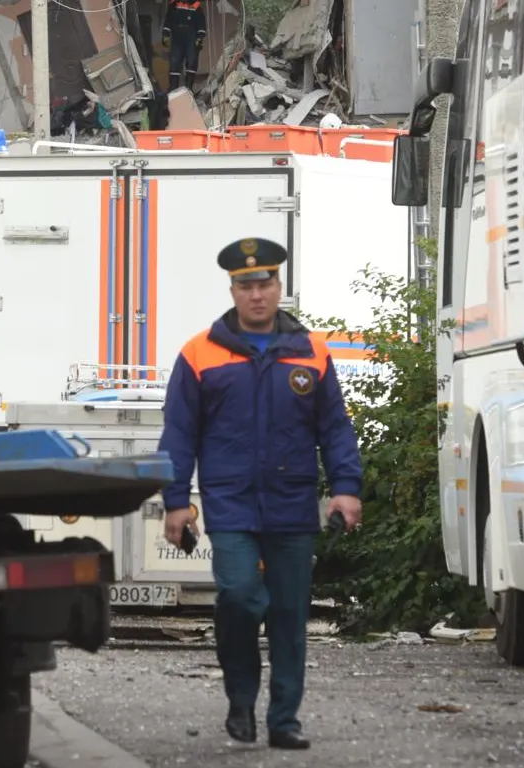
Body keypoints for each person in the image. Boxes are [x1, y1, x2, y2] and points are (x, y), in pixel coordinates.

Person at [157, 237, 363, 752]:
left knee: (291, 616)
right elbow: (179, 435)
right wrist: (176, 501)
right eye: (246, 285)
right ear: (233, 289)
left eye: (265, 283)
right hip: (231, 506)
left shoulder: (311, 352)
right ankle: (240, 701)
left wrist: (345, 489)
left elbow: (335, 428)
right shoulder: (199, 353)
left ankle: (284, 720)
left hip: (292, 506)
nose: (256, 294)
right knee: (240, 597)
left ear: (278, 286)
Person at [161, 0, 207, 93]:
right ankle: (173, 89)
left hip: (191, 39)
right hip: (177, 38)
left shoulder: (196, 6)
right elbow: (168, 21)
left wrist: (200, 37)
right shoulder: (173, 5)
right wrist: (166, 35)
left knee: (191, 62)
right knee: (174, 62)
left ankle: (189, 89)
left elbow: (201, 23)